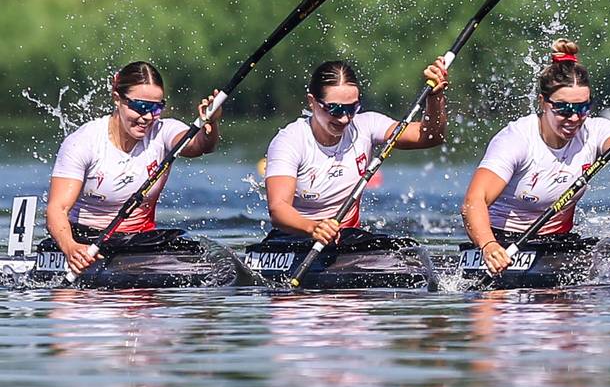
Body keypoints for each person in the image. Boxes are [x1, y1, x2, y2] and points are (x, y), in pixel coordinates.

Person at [461, 39, 610, 274]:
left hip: (557, 243)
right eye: (564, 109)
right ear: (543, 102)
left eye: (582, 108)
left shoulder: (594, 131)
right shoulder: (517, 139)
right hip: (503, 245)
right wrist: (489, 246)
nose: (574, 118)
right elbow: (473, 202)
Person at [46, 61, 223, 276]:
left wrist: (211, 124)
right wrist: (71, 248)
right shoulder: (83, 143)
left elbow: (201, 145)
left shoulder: (163, 132)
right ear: (117, 98)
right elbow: (57, 209)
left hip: (140, 241)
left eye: (156, 108)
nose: (148, 117)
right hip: (87, 240)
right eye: (140, 107)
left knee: (193, 248)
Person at [263, 59, 447, 245]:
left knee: (406, 250)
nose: (344, 119)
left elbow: (430, 137)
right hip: (294, 238)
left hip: (346, 238)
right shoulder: (290, 141)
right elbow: (278, 209)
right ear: (312, 102)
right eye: (335, 109)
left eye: (352, 108)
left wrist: (435, 97)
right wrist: (314, 228)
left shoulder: (366, 126)